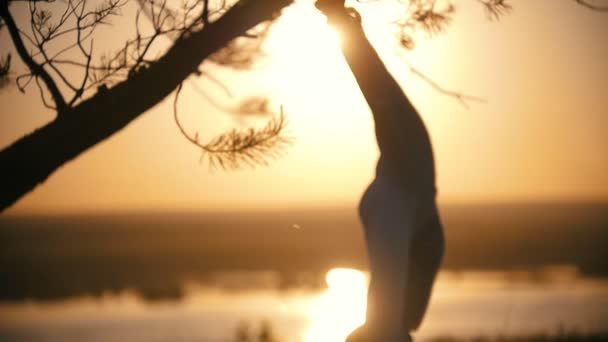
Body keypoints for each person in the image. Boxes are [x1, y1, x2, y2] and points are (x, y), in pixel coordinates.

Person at [315, 1, 445, 341]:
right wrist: (344, 25)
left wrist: (347, 27)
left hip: (404, 205)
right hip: (398, 199)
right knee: (388, 325)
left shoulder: (409, 183)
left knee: (391, 323)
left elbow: (380, 88)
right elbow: (379, 89)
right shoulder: (408, 164)